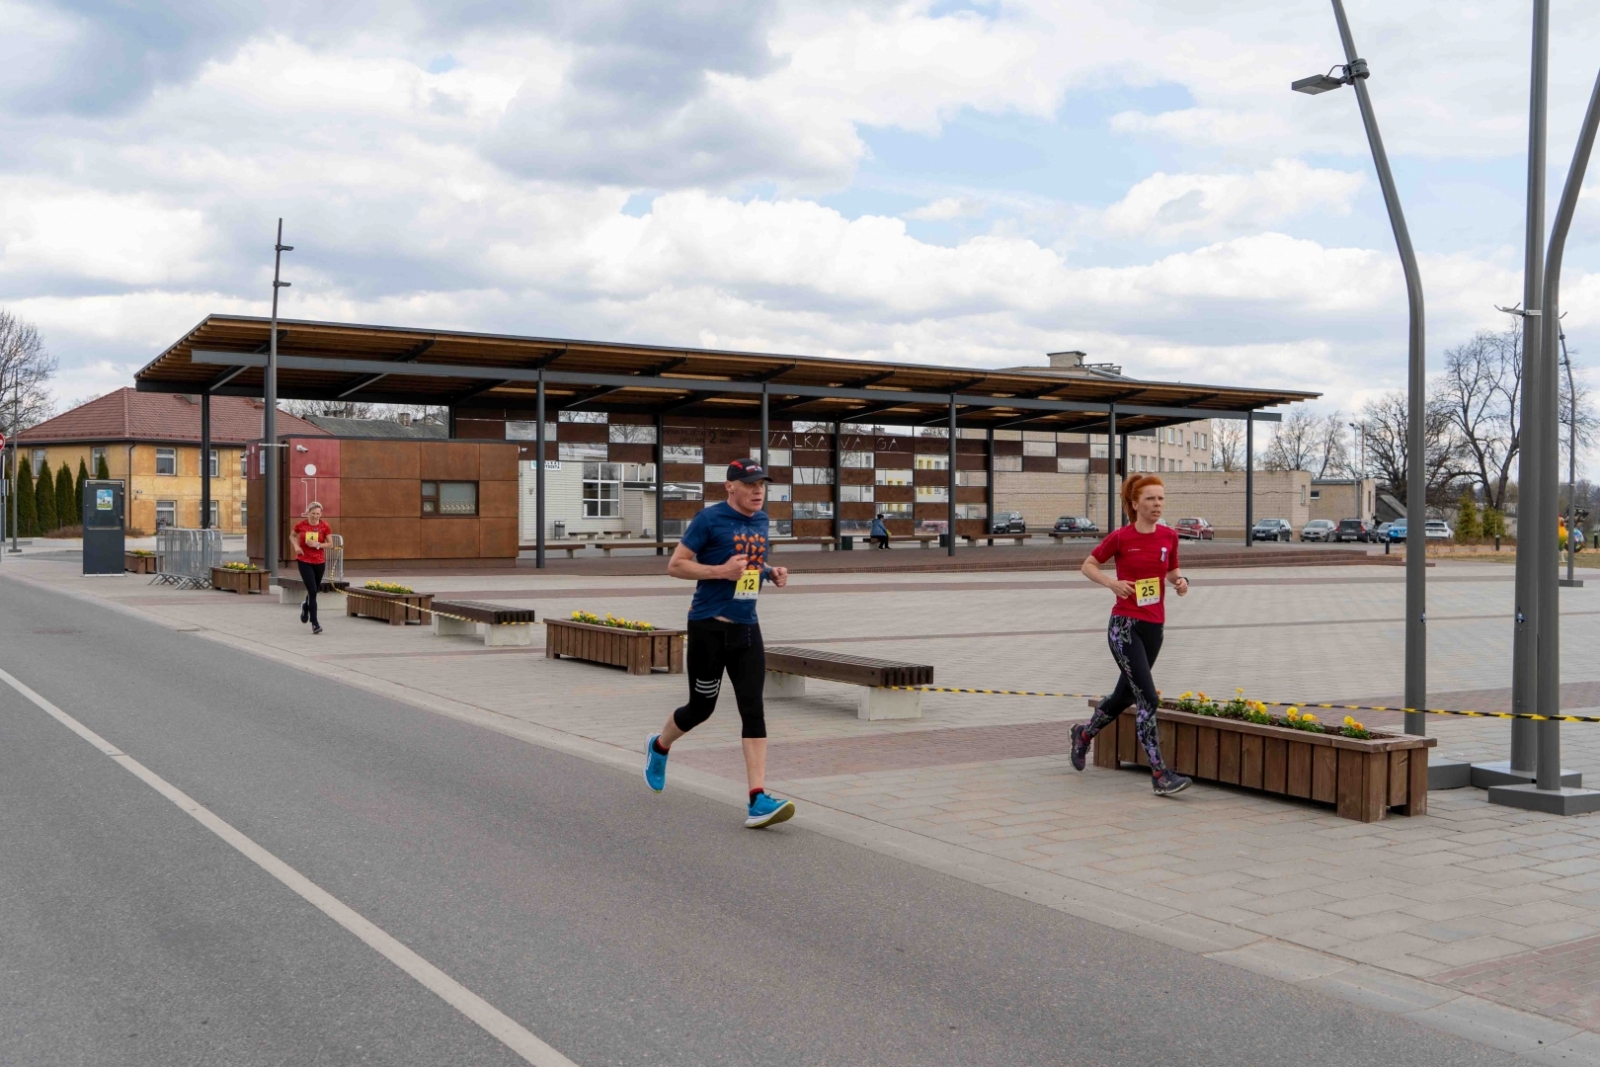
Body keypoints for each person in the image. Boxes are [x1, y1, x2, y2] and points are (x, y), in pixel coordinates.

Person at [644, 458, 796, 828]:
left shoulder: (760, 520)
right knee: (701, 709)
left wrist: (769, 572)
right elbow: (676, 565)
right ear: (730, 487)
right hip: (707, 628)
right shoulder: (708, 520)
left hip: (746, 628)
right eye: (749, 484)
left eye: (761, 484)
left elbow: (750, 563)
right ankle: (659, 746)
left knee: (753, 709)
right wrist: (719, 571)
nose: (758, 490)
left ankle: (757, 799)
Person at [1069, 475, 1192, 796]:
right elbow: (1088, 565)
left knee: (1124, 696)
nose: (1157, 505)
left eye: (1161, 499)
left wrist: (1181, 583)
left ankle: (1083, 735)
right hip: (1124, 626)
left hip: (1154, 627)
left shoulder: (1169, 536)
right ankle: (1160, 774)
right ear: (1135, 504)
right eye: (1151, 499)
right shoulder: (1121, 538)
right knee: (1147, 698)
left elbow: (1172, 571)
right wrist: (1112, 583)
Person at [292, 502, 333, 636]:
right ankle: (315, 623)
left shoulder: (324, 526)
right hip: (304, 560)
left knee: (313, 590)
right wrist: (296, 547)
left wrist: (318, 544)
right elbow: (292, 535)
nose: (315, 516)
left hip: (319, 561)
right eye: (313, 513)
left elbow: (330, 544)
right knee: (313, 591)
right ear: (308, 512)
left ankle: (305, 606)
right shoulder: (301, 525)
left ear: (321, 514)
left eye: (318, 514)